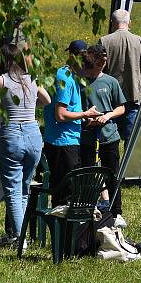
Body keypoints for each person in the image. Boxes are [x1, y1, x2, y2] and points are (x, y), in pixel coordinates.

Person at [0, 44, 51, 248]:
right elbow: (47, 100)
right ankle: (21, 234)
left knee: (13, 189)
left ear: (4, 60)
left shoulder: (1, 81)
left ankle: (19, 238)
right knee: (24, 187)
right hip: (33, 134)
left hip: (12, 135)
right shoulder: (32, 79)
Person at [43, 40, 102, 206]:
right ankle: (62, 230)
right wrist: (85, 113)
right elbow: (60, 115)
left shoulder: (72, 76)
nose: (87, 77)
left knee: (72, 190)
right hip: (61, 142)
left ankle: (68, 229)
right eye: (87, 73)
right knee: (65, 193)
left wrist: (85, 119)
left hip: (71, 139)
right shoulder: (65, 79)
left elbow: (70, 110)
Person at [79, 43, 127, 223]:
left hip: (109, 136)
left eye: (105, 62)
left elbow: (121, 108)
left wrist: (107, 116)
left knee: (112, 174)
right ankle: (89, 209)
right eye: (100, 62)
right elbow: (77, 109)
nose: (103, 65)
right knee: (88, 175)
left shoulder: (110, 81)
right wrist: (86, 119)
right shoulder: (81, 83)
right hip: (87, 137)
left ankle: (116, 212)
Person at [100, 9, 141, 142]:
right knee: (132, 140)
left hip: (111, 97)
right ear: (129, 22)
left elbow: (99, 69)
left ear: (112, 23)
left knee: (110, 138)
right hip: (134, 95)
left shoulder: (104, 41)